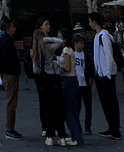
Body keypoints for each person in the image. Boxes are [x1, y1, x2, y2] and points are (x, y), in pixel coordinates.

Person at [31, 18, 66, 146]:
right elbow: (59, 42)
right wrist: (47, 39)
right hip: (55, 78)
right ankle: (62, 137)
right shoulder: (50, 48)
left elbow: (35, 70)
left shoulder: (36, 52)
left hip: (45, 81)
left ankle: (50, 136)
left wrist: (40, 40)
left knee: (48, 109)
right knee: (58, 107)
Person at [88, 12, 121, 140]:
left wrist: (107, 73)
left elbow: (108, 55)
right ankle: (111, 126)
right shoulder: (97, 36)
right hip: (100, 74)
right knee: (105, 102)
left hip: (106, 74)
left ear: (94, 22)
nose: (89, 24)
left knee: (111, 102)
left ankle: (115, 129)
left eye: (90, 21)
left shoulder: (104, 36)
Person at [0, 17, 22, 140]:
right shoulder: (7, 42)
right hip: (10, 74)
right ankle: (10, 129)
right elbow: (7, 59)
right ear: (9, 28)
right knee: (11, 103)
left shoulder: (4, 40)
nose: (15, 28)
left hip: (9, 73)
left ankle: (11, 128)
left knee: (11, 102)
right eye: (13, 27)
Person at [57, 28, 83, 147]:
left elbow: (67, 67)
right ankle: (77, 136)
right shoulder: (69, 49)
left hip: (68, 80)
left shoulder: (67, 50)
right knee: (72, 110)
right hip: (73, 80)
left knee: (68, 111)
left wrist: (57, 64)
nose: (58, 39)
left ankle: (75, 136)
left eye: (60, 37)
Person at [73, 30, 93, 134]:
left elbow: (91, 68)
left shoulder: (86, 56)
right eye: (81, 43)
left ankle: (87, 126)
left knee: (88, 107)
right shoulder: (72, 55)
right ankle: (77, 125)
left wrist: (90, 79)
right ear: (76, 43)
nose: (82, 45)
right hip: (77, 84)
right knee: (77, 106)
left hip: (85, 83)